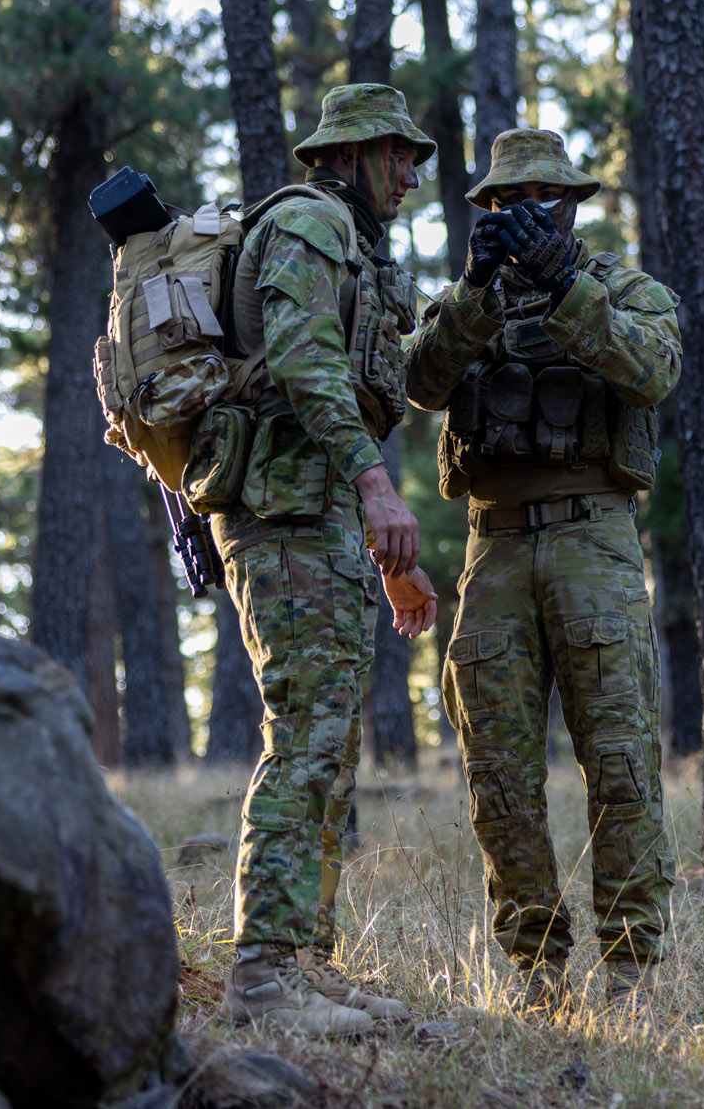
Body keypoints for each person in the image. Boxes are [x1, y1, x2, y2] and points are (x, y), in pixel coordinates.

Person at [405, 127, 680, 1023]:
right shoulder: (468, 299)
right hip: (493, 548)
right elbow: (419, 381)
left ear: (573, 206)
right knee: (498, 774)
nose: (524, 215)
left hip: (593, 539)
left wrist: (564, 286)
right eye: (504, 202)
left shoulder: (622, 290)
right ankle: (535, 969)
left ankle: (632, 969)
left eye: (542, 201)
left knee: (621, 761)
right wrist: (475, 293)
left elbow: (652, 370)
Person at [216, 83, 440, 1036]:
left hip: (322, 515)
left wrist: (381, 544)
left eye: (415, 158)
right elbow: (304, 360)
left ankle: (307, 961)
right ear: (348, 155)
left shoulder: (354, 243)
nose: (411, 174)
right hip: (286, 512)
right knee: (305, 733)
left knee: (331, 745)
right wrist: (375, 484)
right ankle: (263, 977)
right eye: (398, 154)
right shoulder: (310, 221)